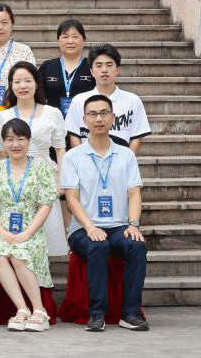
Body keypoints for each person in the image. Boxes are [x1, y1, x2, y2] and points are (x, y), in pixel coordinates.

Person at [61, 94, 149, 332]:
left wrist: (133, 224)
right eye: (92, 114)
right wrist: (90, 227)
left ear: (113, 118)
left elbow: (134, 193)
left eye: (103, 113)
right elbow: (71, 199)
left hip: (118, 226)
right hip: (83, 228)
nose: (98, 119)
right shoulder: (72, 157)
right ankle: (97, 313)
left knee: (137, 246)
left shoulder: (126, 154)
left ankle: (129, 313)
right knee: (98, 246)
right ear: (84, 120)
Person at [0, 119, 56, 331]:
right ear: (3, 142)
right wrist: (1, 232)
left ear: (29, 141)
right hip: (2, 229)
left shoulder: (41, 168)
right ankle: (22, 309)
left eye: (20, 139)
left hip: (32, 230)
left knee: (18, 253)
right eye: (10, 139)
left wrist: (27, 233)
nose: (15, 144)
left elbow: (46, 204)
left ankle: (39, 310)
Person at [0, 61, 69, 257]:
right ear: (11, 85)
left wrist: (62, 181)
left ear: (37, 83)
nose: (23, 86)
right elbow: (0, 153)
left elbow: (60, 149)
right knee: (16, 238)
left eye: (27, 80)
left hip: (45, 177)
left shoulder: (53, 113)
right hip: (14, 180)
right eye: (17, 81)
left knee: (46, 237)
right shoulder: (3, 117)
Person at [63, 44, 152, 153]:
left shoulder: (133, 101)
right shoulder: (78, 101)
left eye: (109, 65)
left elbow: (136, 138)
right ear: (92, 71)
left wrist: (125, 161)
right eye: (99, 65)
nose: (104, 70)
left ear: (117, 70)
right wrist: (85, 160)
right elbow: (74, 136)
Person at [39, 19, 95, 119]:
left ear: (84, 40)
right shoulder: (47, 67)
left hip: (85, 122)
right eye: (65, 37)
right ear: (58, 40)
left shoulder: (92, 65)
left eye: (75, 37)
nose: (70, 41)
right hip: (53, 122)